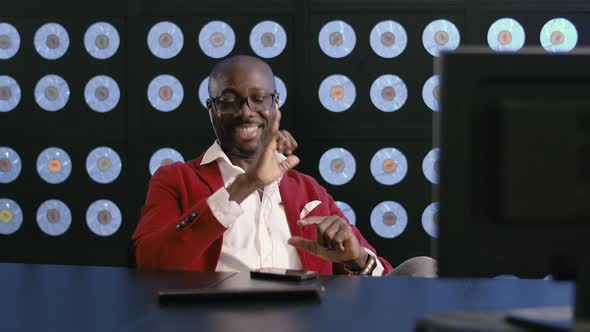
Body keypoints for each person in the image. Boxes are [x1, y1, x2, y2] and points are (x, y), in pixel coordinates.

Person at [133, 55, 429, 276]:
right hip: (215, 320)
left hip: (311, 320)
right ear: (211, 110)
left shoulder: (308, 189)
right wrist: (245, 184)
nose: (246, 112)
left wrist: (356, 260)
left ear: (275, 105)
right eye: (229, 101)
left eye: (259, 99)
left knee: (423, 269)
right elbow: (150, 262)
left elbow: (385, 279)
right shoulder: (175, 179)